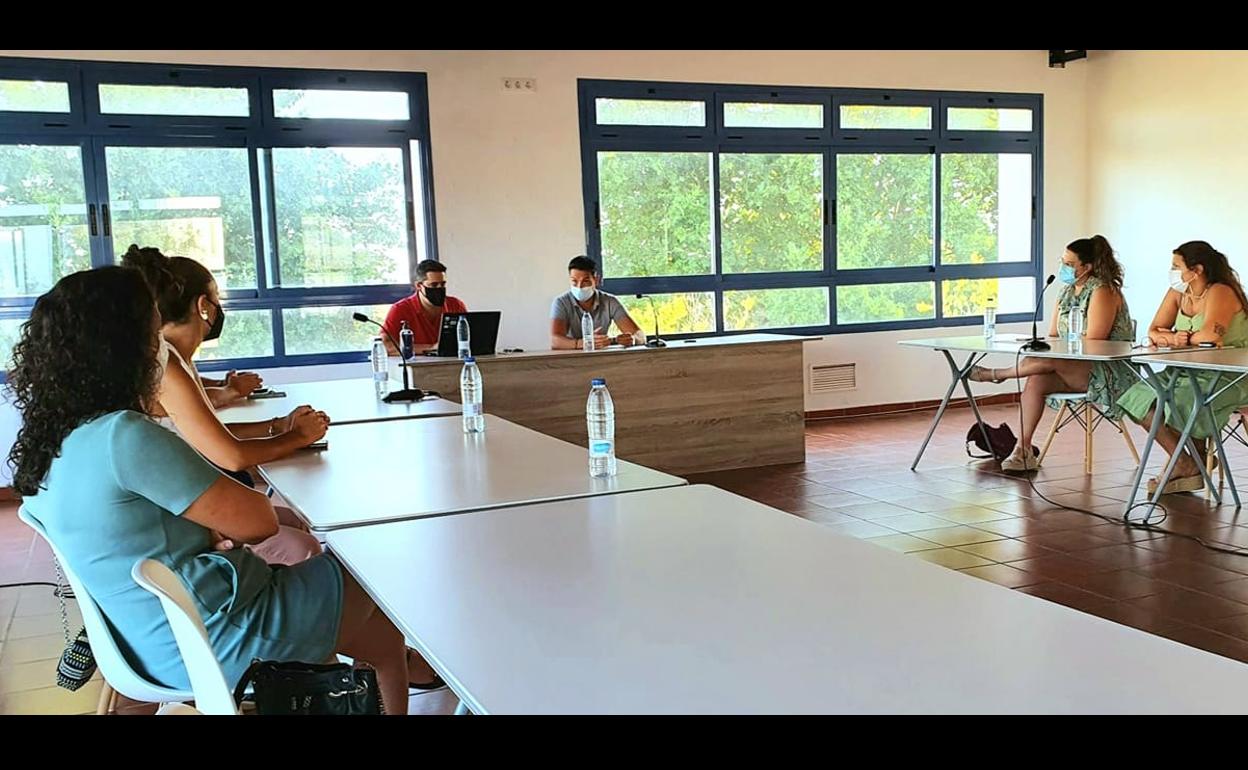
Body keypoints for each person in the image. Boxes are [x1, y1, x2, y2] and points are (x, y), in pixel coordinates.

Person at [7, 266, 416, 712]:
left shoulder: (55, 442)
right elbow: (258, 522)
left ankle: (379, 677)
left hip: (148, 643)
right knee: (376, 563)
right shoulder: (123, 436)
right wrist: (212, 527)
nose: (159, 348)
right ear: (124, 348)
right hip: (221, 636)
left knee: (381, 637)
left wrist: (204, 528)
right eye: (152, 334)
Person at [968, 236, 1135, 472]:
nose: (1063, 268)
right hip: (1070, 366)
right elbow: (1054, 334)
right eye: (1062, 262)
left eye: (1069, 264)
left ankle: (998, 374)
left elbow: (1095, 340)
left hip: (1105, 371)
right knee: (1036, 379)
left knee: (1050, 359)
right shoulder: (1066, 292)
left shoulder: (1102, 291)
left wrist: (1062, 350)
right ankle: (1022, 451)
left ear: (1086, 267)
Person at [1117, 241, 1248, 494]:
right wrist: (1172, 337)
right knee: (1138, 398)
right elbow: (1153, 330)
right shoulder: (1178, 292)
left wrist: (1176, 337)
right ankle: (1185, 462)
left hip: (1226, 376)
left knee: (1185, 400)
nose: (1172, 272)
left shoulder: (1220, 291)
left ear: (1196, 270)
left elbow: (1211, 335)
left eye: (1176, 266)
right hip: (1184, 371)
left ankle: (1188, 465)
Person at [549, 255, 643, 350]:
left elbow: (640, 336)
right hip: (572, 356)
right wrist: (584, 343)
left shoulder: (610, 301)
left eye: (585, 281)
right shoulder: (561, 302)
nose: (579, 286)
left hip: (600, 355)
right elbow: (554, 341)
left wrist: (632, 339)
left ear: (596, 280)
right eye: (574, 281)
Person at [381, 259, 467, 355]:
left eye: (443, 284)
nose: (439, 288)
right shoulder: (400, 309)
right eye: (434, 285)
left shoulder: (456, 305)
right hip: (416, 363)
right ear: (419, 286)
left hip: (452, 362)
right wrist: (430, 348)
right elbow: (385, 345)